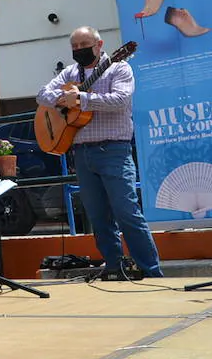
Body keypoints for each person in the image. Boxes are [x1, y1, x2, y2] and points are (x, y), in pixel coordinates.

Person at [37, 26, 163, 278]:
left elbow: (121, 100)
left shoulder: (119, 67)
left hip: (114, 150)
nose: (79, 50)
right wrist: (63, 99)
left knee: (127, 212)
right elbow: (42, 94)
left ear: (99, 44)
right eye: (74, 46)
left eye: (84, 44)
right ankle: (114, 268)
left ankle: (151, 270)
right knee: (97, 217)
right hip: (82, 153)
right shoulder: (70, 73)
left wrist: (82, 99)